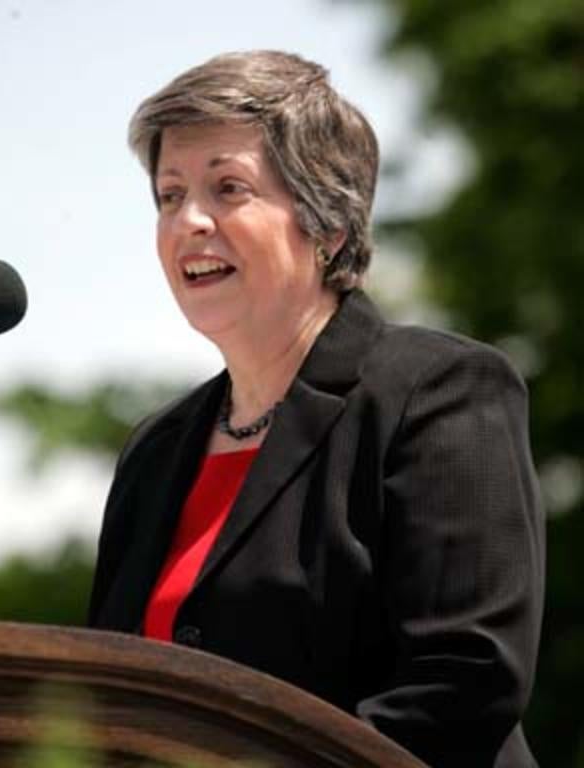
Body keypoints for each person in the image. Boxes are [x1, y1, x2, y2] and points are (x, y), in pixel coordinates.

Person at [87, 51, 544, 767]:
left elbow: (462, 681)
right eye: (170, 196)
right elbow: (105, 697)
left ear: (327, 222)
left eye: (228, 188)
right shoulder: (156, 447)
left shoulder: (440, 390)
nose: (190, 222)